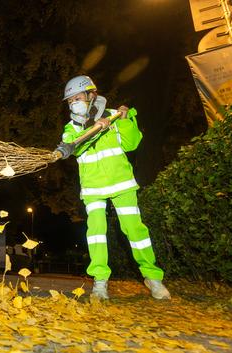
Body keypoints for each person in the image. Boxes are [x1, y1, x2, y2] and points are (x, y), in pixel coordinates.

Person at [52, 75, 170, 300]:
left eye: (77, 98)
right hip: (93, 188)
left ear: (91, 95)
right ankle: (100, 283)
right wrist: (96, 128)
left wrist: (124, 120)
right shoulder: (71, 128)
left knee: (136, 232)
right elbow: (75, 148)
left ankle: (153, 278)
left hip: (121, 183)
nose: (73, 103)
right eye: (70, 101)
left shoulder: (115, 116)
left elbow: (132, 143)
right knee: (96, 234)